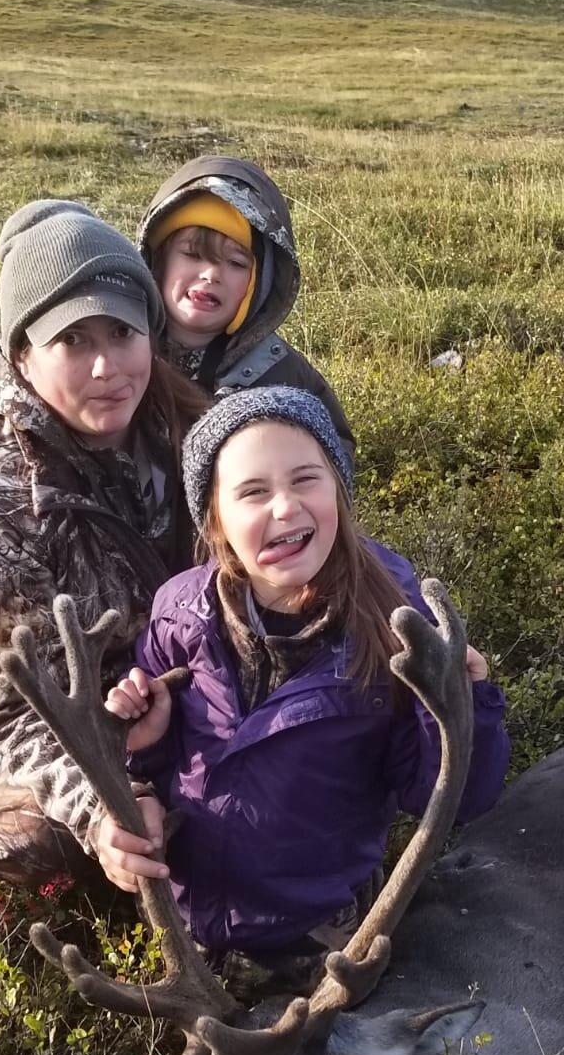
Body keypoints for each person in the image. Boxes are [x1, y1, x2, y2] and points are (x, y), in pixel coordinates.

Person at [99, 386, 509, 972]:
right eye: (253, 492)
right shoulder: (178, 611)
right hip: (185, 924)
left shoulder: (397, 624)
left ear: (338, 490)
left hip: (321, 937)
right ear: (215, 517)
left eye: (306, 480)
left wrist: (460, 704)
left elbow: (457, 796)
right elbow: (156, 766)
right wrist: (142, 748)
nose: (286, 508)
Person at [0, 200, 205, 889]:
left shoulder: (181, 419)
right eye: (73, 341)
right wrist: (100, 813)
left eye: (121, 332)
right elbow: (5, 701)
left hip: (147, 674)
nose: (106, 368)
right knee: (35, 833)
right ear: (22, 350)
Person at [139, 155, 355, 460]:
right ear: (157, 262)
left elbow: (334, 460)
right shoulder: (117, 350)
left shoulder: (282, 375)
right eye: (192, 254)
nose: (211, 274)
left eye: (236, 263)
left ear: (260, 285)